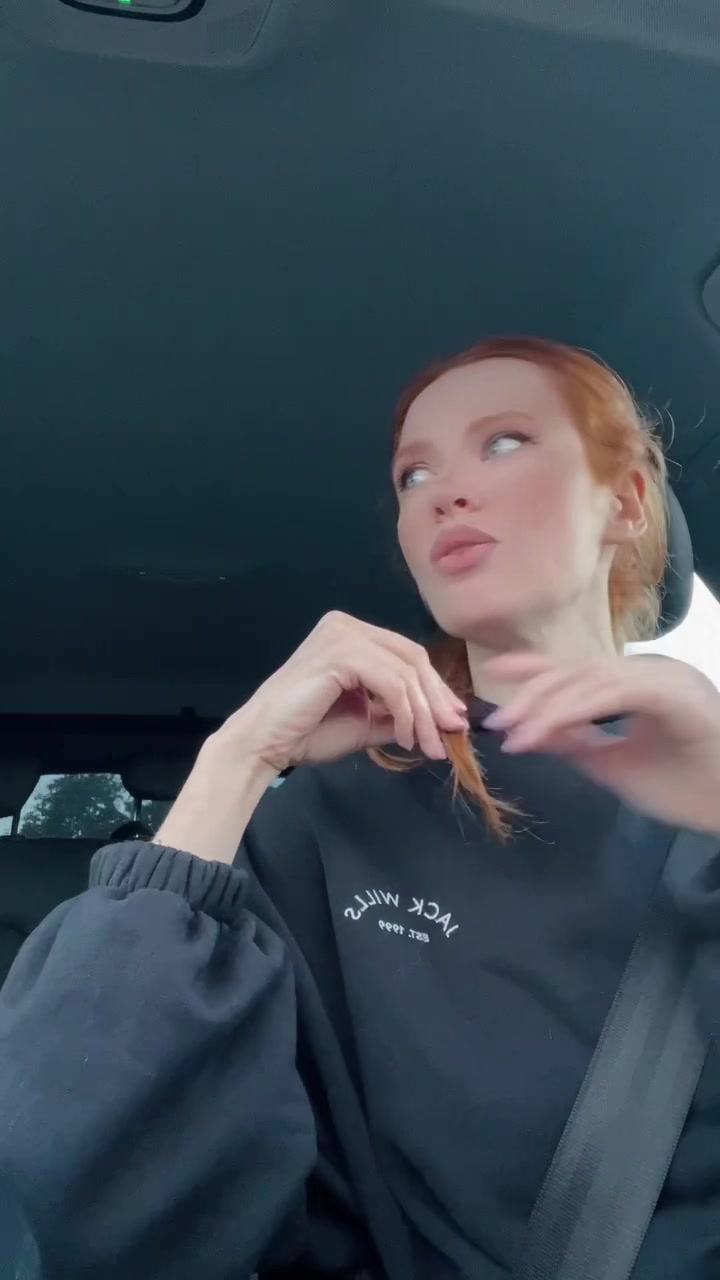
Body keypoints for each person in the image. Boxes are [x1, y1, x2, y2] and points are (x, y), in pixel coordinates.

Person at [1, 337, 720, 1280]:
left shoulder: (704, 783)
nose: (443, 492)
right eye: (414, 473)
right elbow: (95, 1199)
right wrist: (237, 760)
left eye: (504, 442)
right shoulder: (323, 824)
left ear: (624, 501)